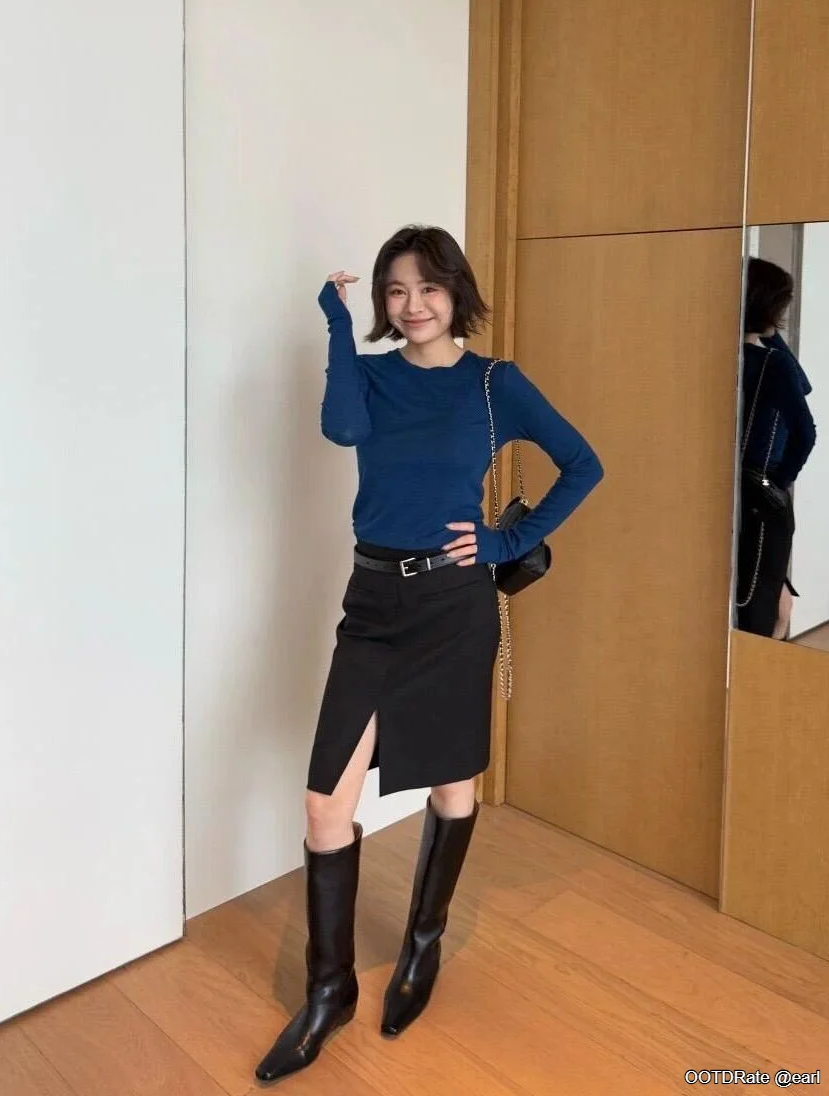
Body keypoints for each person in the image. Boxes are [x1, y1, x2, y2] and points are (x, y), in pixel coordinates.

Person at [255, 225, 603, 1085]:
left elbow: (582, 464)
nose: (413, 305)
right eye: (396, 290)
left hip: (453, 608)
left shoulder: (494, 384)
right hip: (372, 605)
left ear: (457, 293)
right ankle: (329, 990)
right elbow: (341, 428)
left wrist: (503, 542)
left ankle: (422, 944)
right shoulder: (371, 375)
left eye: (429, 288)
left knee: (452, 784)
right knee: (325, 803)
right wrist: (337, 327)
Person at [736, 257, 816, 639]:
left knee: (763, 601)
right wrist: (778, 484)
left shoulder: (720, 354)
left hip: (739, 489)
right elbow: (805, 431)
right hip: (763, 494)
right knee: (765, 609)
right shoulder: (773, 363)